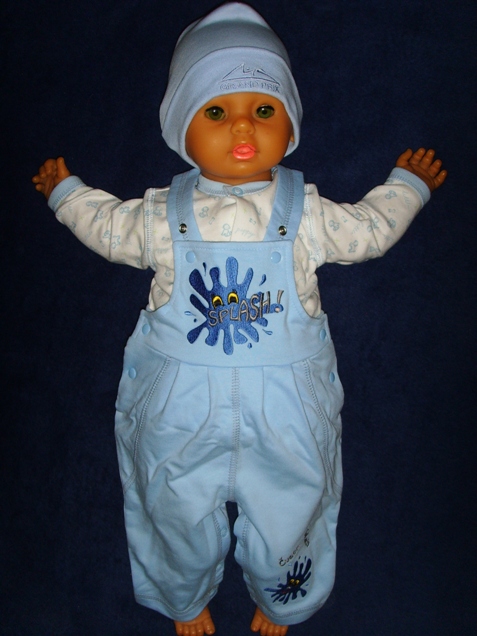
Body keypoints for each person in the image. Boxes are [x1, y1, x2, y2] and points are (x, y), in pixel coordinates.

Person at [32, 4, 446, 635]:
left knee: (295, 501)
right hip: (178, 408)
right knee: (168, 502)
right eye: (216, 112)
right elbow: (109, 227)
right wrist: (68, 195)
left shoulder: (307, 214)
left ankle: (284, 595)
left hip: (286, 409)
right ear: (181, 130)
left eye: (264, 109)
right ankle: (182, 594)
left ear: (291, 125)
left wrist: (406, 187)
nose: (243, 126)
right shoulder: (160, 215)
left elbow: (368, 231)